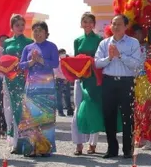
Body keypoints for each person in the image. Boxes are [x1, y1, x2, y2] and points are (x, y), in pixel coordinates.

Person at [95, 14, 142, 159]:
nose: (115, 27)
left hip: (126, 82)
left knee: (127, 116)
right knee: (109, 116)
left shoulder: (133, 43)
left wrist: (120, 55)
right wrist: (109, 58)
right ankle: (112, 149)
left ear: (126, 26)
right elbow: (97, 63)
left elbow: (136, 64)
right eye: (113, 24)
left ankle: (128, 149)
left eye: (119, 24)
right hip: (109, 81)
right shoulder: (104, 43)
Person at [16, 21, 59, 157]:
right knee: (30, 117)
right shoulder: (28, 48)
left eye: (40, 31)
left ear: (46, 33)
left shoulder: (52, 46)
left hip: (47, 87)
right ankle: (30, 148)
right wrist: (31, 62)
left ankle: (45, 148)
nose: (37, 33)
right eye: (35, 30)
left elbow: (55, 63)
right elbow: (21, 65)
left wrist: (41, 61)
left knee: (45, 117)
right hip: (31, 87)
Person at [71, 12, 107, 156]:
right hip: (80, 79)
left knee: (94, 108)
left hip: (94, 79)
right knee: (78, 109)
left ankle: (93, 143)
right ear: (81, 24)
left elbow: (100, 60)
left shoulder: (100, 39)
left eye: (89, 22)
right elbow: (75, 60)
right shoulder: (77, 40)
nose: (87, 24)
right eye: (84, 22)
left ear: (94, 24)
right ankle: (78, 143)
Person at [2, 14, 34, 153]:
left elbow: (30, 62)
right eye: (17, 25)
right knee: (9, 109)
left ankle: (23, 142)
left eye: (22, 25)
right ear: (12, 27)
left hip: (23, 78)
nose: (20, 27)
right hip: (8, 79)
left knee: (22, 109)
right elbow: (3, 59)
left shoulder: (29, 42)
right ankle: (13, 141)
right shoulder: (7, 42)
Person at [132, 24, 151, 150]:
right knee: (137, 111)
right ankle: (140, 138)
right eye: (135, 33)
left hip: (147, 81)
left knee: (148, 110)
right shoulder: (130, 46)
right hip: (135, 81)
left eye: (140, 33)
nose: (137, 35)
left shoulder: (149, 46)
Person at [55, 49, 73, 117]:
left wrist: (67, 79)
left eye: (64, 53)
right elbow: (56, 72)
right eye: (61, 53)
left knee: (67, 96)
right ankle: (60, 112)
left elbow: (71, 71)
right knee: (59, 97)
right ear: (58, 54)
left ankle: (70, 111)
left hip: (67, 81)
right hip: (59, 80)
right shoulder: (57, 62)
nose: (63, 54)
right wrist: (65, 78)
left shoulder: (68, 61)